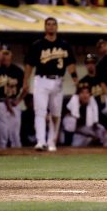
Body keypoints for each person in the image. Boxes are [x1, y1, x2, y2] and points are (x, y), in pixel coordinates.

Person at [23, 17, 78, 152]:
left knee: (55, 113)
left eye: (53, 24)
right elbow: (29, 65)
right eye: (49, 24)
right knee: (40, 111)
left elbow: (70, 64)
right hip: (41, 80)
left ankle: (51, 141)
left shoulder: (64, 44)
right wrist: (26, 81)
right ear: (45, 27)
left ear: (57, 27)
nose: (51, 26)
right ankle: (41, 141)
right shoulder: (38, 44)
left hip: (58, 80)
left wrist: (75, 78)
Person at [78, 53, 107, 146]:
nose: (90, 65)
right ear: (86, 65)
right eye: (88, 63)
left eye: (93, 63)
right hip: (88, 114)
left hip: (103, 112)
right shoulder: (83, 82)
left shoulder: (102, 78)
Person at [0, 44, 27, 148]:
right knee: (1, 135)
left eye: (7, 54)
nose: (4, 56)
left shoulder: (18, 71)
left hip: (13, 103)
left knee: (14, 135)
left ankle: (18, 158)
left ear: (11, 55)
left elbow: (26, 88)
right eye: (2, 54)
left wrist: (18, 100)